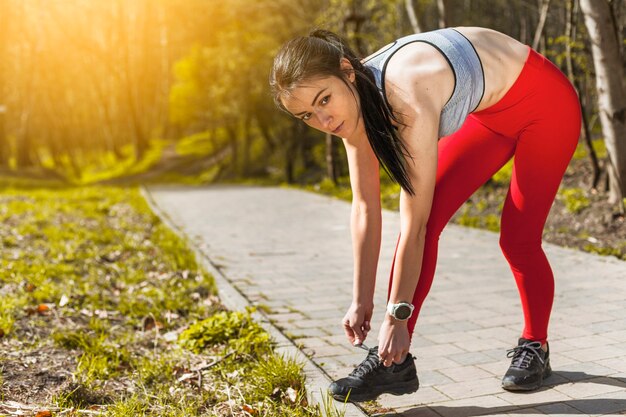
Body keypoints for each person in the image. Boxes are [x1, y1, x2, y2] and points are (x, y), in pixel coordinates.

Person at [270, 26, 581, 402]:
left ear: (347, 72)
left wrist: (396, 316)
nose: (324, 120)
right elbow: (365, 207)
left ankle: (536, 345)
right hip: (490, 117)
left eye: (324, 100)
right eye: (307, 115)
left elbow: (412, 224)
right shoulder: (350, 108)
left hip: (545, 103)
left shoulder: (407, 95)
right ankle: (392, 362)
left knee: (517, 239)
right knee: (429, 221)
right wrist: (361, 300)